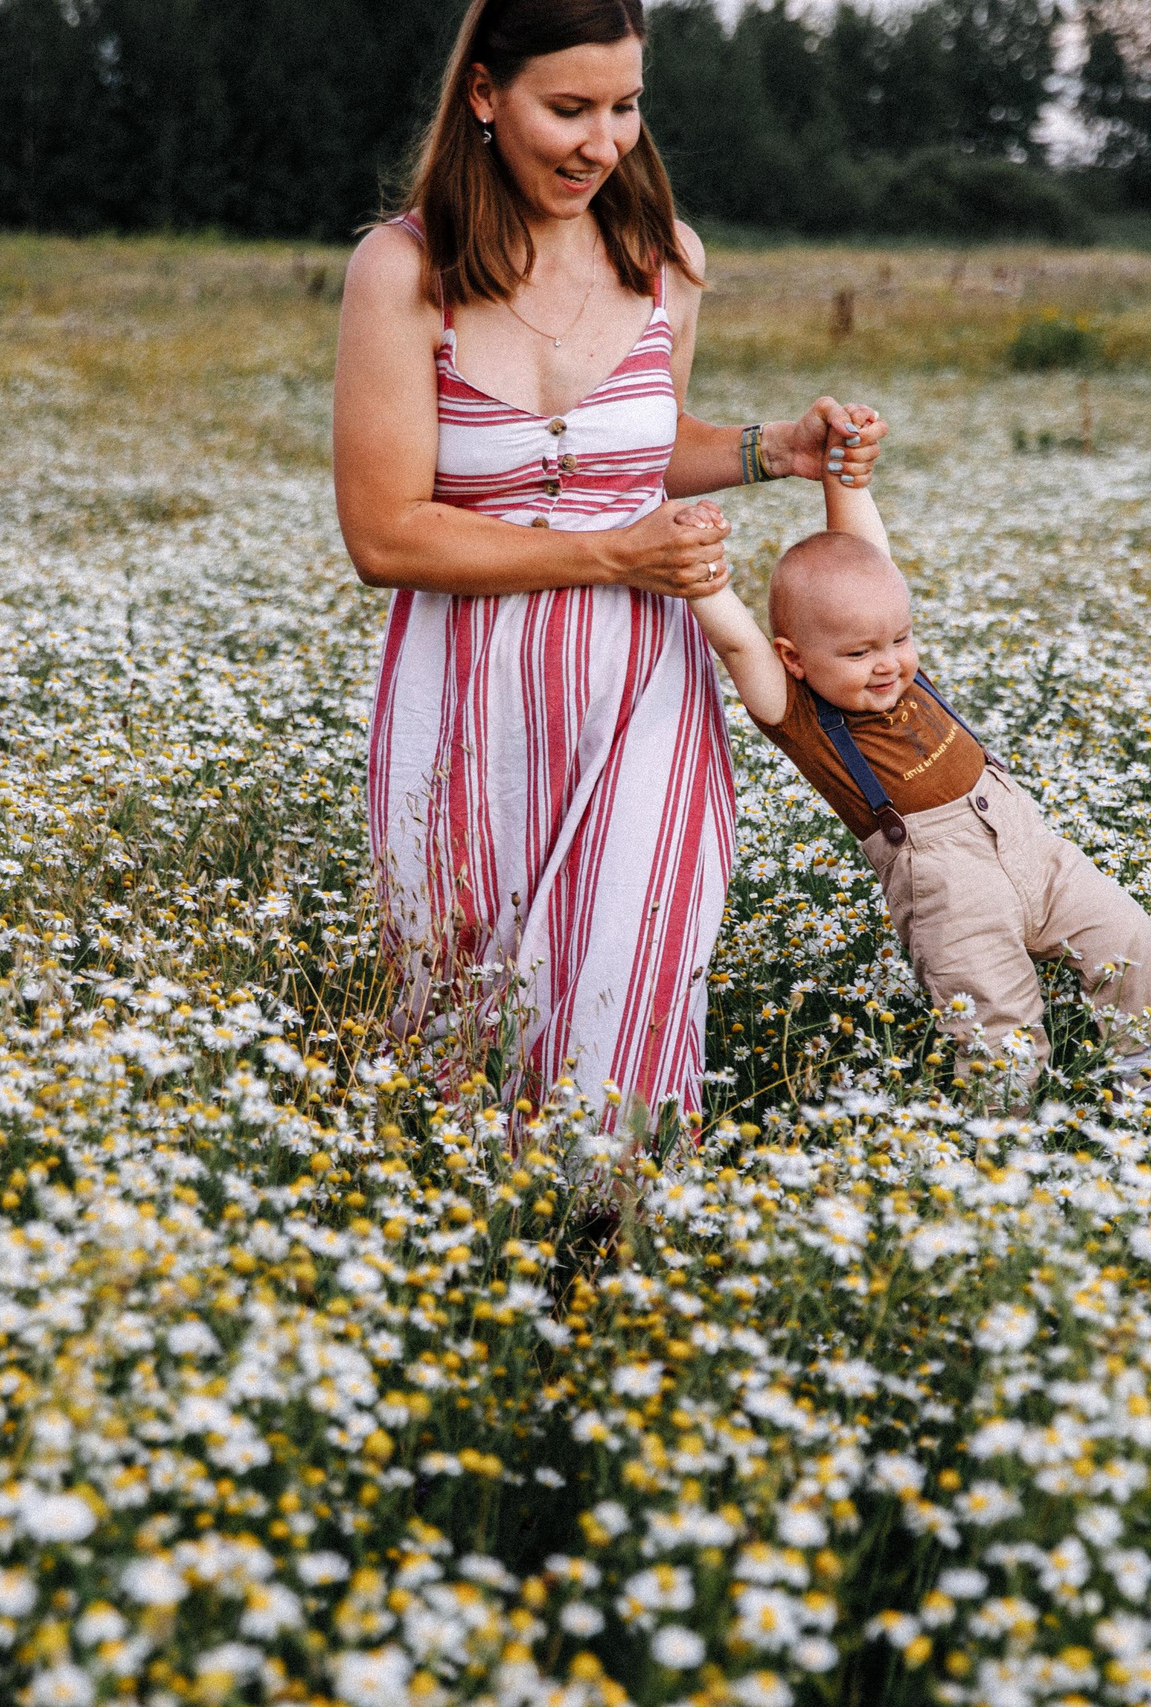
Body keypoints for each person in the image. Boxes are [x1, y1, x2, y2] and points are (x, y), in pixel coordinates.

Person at [331, 0, 886, 1130]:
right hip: (464, 684)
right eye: (569, 108)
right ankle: (465, 1245)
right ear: (484, 96)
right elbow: (384, 534)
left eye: (625, 107)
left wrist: (770, 448)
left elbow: (641, 446)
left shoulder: (662, 261)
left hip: (645, 675)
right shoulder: (402, 271)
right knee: (459, 1000)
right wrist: (607, 550)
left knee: (632, 960)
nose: (602, 142)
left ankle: (609, 1238)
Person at [678, 422, 1151, 1096]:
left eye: (899, 638)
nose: (888, 664)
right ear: (794, 660)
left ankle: (1147, 1083)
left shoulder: (888, 648)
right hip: (949, 887)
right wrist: (701, 569)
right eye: (858, 654)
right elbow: (740, 645)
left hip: (1025, 838)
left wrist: (842, 472)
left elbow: (866, 555)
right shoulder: (797, 713)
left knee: (1126, 932)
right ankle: (1005, 1147)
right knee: (999, 1026)